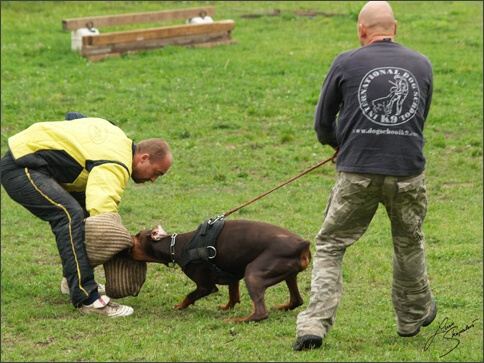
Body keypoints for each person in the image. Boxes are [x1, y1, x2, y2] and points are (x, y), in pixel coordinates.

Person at [293, 1, 436, 350]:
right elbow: (419, 118)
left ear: (361, 30)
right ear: (395, 28)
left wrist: (338, 144)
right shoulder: (421, 64)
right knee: (407, 243)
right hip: (407, 172)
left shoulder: (346, 61)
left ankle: (313, 326)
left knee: (330, 245)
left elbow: (323, 122)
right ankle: (411, 317)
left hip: (356, 172)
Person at [0, 112, 172, 317]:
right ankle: (89, 299)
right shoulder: (116, 162)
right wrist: (123, 246)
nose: (153, 179)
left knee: (80, 213)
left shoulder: (114, 132)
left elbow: (74, 117)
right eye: (157, 173)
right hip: (22, 167)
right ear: (144, 158)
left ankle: (71, 279)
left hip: (31, 158)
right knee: (69, 215)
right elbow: (103, 215)